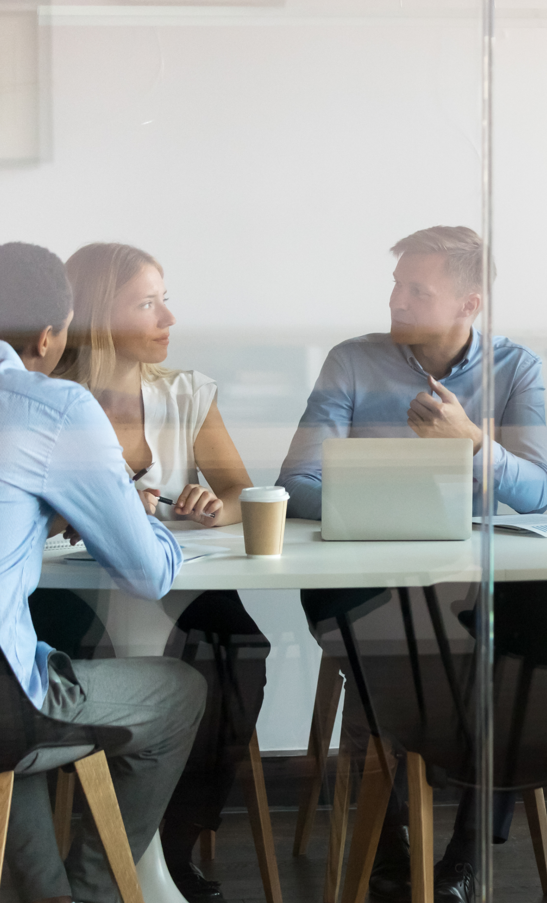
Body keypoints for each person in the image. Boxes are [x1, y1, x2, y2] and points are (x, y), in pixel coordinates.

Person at [277, 225, 547, 903]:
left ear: (469, 304)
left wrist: (470, 444)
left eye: (416, 289)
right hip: (363, 585)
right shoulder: (351, 361)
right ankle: (391, 840)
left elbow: (540, 491)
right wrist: (413, 487)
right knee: (405, 647)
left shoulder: (516, 368)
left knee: (505, 648)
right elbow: (297, 482)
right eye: (397, 285)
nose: (397, 300)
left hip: (462, 586)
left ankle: (464, 852)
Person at [45, 242, 269, 903]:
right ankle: (115, 845)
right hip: (75, 594)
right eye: (147, 303)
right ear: (94, 313)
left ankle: (167, 842)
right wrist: (97, 513)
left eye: (166, 299)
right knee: (137, 664)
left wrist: (208, 502)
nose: (168, 317)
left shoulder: (186, 394)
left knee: (239, 651)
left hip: (179, 580)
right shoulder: (47, 401)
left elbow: (239, 491)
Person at [0, 241, 206, 903]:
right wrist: (133, 513)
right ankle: (99, 889)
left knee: (18, 711)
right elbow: (148, 576)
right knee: (178, 692)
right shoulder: (55, 406)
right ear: (50, 335)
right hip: (4, 704)